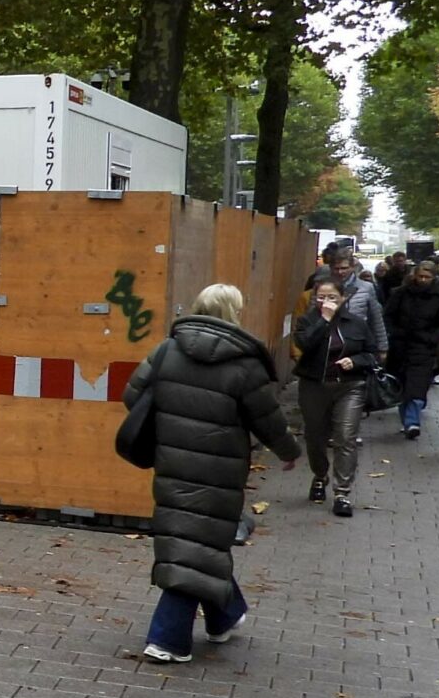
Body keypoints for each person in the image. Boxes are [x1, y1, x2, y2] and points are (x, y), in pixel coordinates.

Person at [120, 282, 302, 663]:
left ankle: (225, 616)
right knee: (201, 543)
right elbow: (267, 419)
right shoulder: (245, 364)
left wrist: (167, 426)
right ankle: (167, 640)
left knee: (194, 541)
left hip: (172, 464)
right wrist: (289, 451)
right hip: (221, 469)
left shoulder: (167, 350)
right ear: (234, 313)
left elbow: (132, 394)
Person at [291, 277, 379, 516]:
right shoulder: (306, 321)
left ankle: (343, 492)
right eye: (321, 297)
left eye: (332, 298)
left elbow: (372, 354)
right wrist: (324, 320)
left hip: (349, 387)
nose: (326, 302)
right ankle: (320, 475)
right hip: (314, 386)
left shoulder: (357, 324)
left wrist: (356, 361)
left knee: (345, 437)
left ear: (343, 299)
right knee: (315, 436)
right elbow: (305, 345)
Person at [385, 261, 439, 439]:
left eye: (427, 277)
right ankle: (407, 419)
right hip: (400, 346)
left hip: (423, 348)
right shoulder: (400, 294)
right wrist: (395, 334)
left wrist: (431, 339)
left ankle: (412, 421)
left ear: (433, 278)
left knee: (418, 386)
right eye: (420, 276)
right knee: (402, 384)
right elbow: (388, 316)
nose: (423, 280)